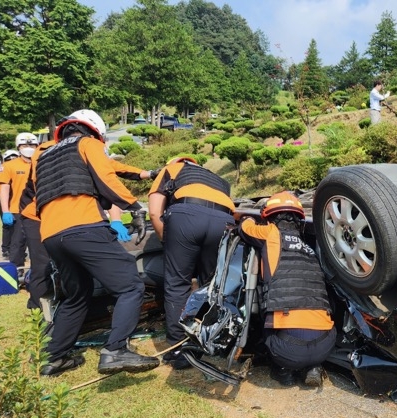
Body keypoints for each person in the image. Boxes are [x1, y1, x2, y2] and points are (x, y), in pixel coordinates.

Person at [32, 109, 159, 376]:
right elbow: (106, 176)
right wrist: (134, 207)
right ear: (95, 132)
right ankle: (115, 350)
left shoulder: (44, 157)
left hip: (52, 235)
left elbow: (111, 166)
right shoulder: (87, 144)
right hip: (84, 227)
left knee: (77, 294)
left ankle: (53, 357)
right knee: (130, 286)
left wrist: (146, 173)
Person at [237, 192, 335, 387]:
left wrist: (246, 218)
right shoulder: (309, 248)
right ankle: (313, 366)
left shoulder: (271, 233)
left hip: (289, 350)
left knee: (266, 323)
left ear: (269, 218)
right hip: (325, 346)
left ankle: (284, 371)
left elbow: (245, 229)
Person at [148, 156, 235, 370]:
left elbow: (153, 210)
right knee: (211, 285)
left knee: (178, 284)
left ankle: (179, 349)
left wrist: (167, 240)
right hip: (223, 221)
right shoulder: (217, 179)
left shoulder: (172, 168)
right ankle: (208, 338)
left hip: (187, 214)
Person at [0, 133, 38, 270]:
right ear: (18, 146)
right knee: (18, 245)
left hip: (39, 210)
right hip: (17, 211)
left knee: (40, 245)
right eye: (25, 145)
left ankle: (41, 274)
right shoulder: (9, 165)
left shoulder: (42, 163)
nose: (29, 147)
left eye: (32, 144)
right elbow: (4, 189)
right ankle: (16, 273)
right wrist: (6, 211)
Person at [0, 149, 20, 259]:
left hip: (17, 203)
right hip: (6, 203)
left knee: (18, 230)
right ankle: (6, 249)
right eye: (10, 159)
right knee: (7, 227)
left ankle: (15, 250)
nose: (12, 160)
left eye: (14, 158)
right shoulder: (4, 169)